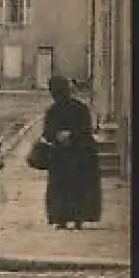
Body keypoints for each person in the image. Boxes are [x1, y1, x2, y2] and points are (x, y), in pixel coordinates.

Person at [41, 75, 102, 229]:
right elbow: (47, 132)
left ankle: (73, 219)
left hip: (77, 154)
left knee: (73, 187)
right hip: (66, 154)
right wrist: (58, 136)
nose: (57, 95)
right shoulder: (56, 110)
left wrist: (68, 136)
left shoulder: (75, 109)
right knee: (68, 187)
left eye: (58, 92)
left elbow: (85, 129)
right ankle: (67, 219)